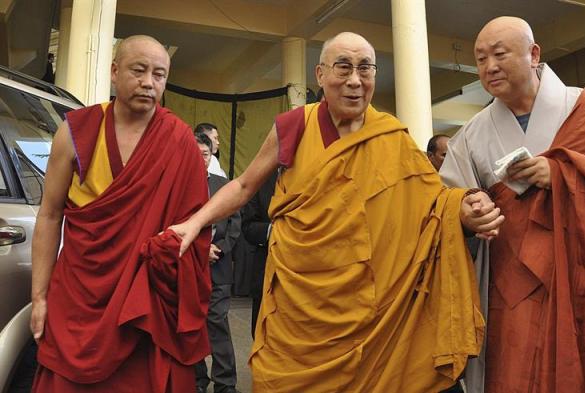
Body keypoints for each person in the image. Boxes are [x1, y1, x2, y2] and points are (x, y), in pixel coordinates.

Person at [171, 31, 504, 392]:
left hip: (375, 310)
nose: (355, 81)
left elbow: (434, 202)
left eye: (365, 69)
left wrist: (467, 209)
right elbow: (244, 186)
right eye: (343, 67)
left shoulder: (391, 137)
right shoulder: (295, 125)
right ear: (320, 74)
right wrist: (196, 222)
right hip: (302, 304)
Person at [439, 17, 585, 393]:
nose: (489, 67)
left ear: (534, 54)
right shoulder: (472, 133)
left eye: (499, 54)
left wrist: (564, 174)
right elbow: (448, 200)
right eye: (480, 59)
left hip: (582, 276)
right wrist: (468, 212)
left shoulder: (584, 108)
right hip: (509, 285)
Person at [30, 35, 212, 393]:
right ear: (115, 72)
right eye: (139, 70)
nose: (149, 82)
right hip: (81, 293)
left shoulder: (178, 139)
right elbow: (50, 215)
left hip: (145, 302)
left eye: (159, 75)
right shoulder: (76, 131)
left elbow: (194, 224)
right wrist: (40, 297)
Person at [193, 132, 241, 393]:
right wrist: (199, 249)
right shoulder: (178, 183)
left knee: (218, 322)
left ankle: (225, 384)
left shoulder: (224, 185)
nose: (201, 159)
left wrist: (218, 249)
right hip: (190, 266)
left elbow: (235, 225)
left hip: (218, 267)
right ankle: (197, 381)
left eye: (205, 154)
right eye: (196, 154)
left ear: (211, 157)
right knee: (191, 325)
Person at [241, 170, 277, 338]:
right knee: (261, 333)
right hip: (266, 268)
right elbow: (248, 225)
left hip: (303, 273)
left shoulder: (312, 175)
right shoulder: (261, 179)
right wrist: (272, 231)